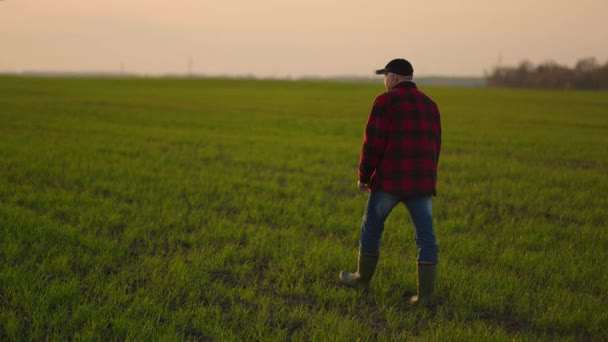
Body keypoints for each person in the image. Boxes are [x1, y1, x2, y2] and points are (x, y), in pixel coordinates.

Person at [339, 58, 442, 306]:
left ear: (393, 78)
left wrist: (364, 176)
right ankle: (425, 297)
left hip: (390, 181)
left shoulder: (385, 102)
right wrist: (429, 177)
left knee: (372, 227)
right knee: (426, 236)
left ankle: (362, 279)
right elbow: (434, 145)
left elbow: (372, 143)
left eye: (385, 76)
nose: (385, 81)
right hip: (421, 183)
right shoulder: (430, 105)